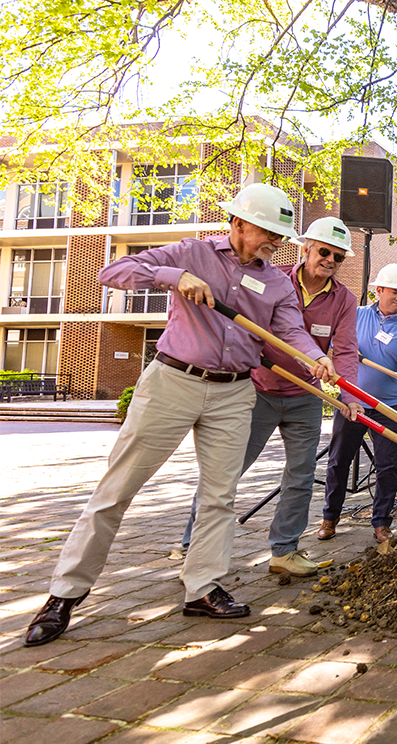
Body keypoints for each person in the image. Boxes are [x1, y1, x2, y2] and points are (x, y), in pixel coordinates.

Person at [24, 183, 336, 647]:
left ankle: (202, 587)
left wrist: (315, 357)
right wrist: (173, 277)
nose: (274, 239)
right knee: (117, 490)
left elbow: (290, 330)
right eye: (267, 229)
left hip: (233, 394)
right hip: (172, 382)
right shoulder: (191, 251)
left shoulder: (274, 282)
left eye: (278, 233)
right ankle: (64, 594)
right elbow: (113, 271)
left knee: (219, 497)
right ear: (238, 223)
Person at [179, 217, 362, 576]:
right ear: (305, 248)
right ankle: (191, 543)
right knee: (226, 470)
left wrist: (350, 394)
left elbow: (345, 349)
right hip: (258, 389)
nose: (330, 260)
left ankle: (284, 550)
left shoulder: (344, 299)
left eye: (338, 257)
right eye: (324, 251)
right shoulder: (270, 276)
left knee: (301, 473)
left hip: (305, 394)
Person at [320, 263, 397, 544]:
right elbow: (335, 342)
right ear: (378, 290)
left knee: (388, 466)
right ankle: (330, 517)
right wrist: (342, 349)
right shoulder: (355, 316)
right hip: (352, 402)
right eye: (394, 292)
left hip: (390, 407)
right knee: (338, 461)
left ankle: (381, 523)